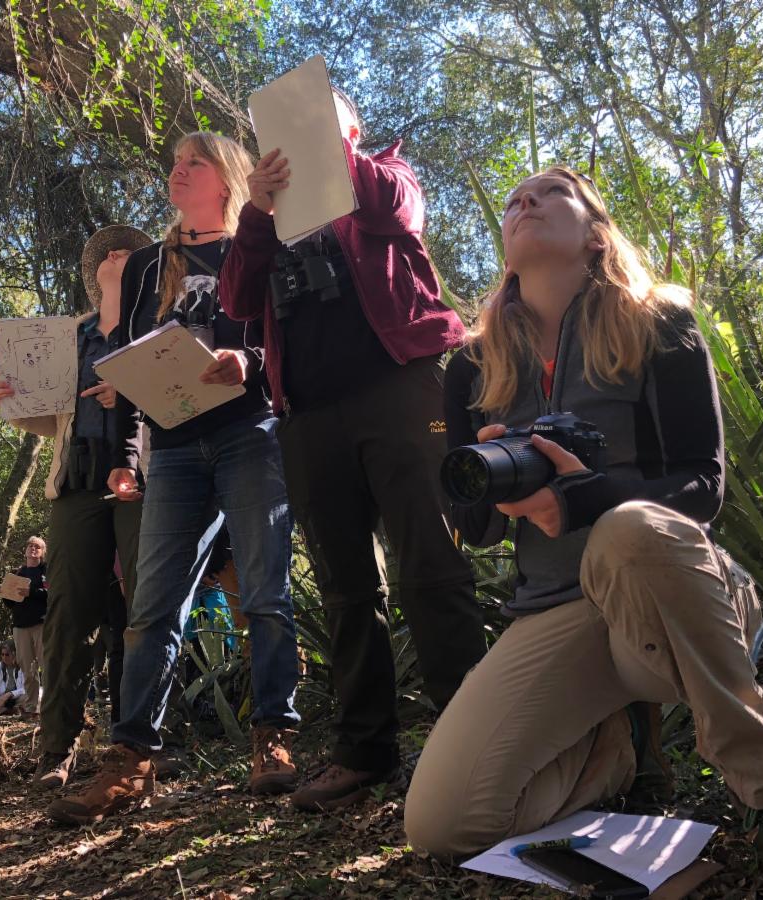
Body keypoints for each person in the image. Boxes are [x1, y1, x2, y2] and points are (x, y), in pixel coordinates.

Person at [402, 166, 763, 895]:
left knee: (630, 529)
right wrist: (489, 484)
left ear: (595, 232)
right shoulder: (472, 365)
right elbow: (475, 530)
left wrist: (584, 499)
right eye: (514, 200)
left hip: (671, 595)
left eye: (552, 193)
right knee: (442, 824)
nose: (525, 201)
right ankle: (620, 749)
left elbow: (702, 487)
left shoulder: (658, 321)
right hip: (557, 610)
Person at [220, 89, 487, 811]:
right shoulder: (271, 214)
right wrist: (257, 211)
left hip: (399, 389)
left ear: (354, 129)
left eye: (319, 119)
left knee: (430, 561)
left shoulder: (388, 174)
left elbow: (396, 210)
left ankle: (473, 745)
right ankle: (364, 751)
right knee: (344, 585)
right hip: (308, 413)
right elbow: (238, 300)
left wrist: (330, 153)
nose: (297, 135)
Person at [46, 131, 301, 827]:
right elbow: (132, 363)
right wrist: (128, 455)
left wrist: (249, 363)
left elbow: (282, 338)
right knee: (153, 608)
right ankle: (132, 760)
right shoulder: (148, 265)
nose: (178, 171)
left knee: (265, 593)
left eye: (195, 163)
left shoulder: (258, 244)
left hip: (250, 433)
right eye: (175, 164)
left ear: (228, 178)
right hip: (176, 448)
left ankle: (273, 738)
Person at [0, 223, 151, 790]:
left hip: (144, 483)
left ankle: (143, 744)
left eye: (129, 253)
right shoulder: (64, 338)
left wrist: (133, 392)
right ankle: (57, 747)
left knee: (146, 609)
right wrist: (6, 399)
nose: (117, 256)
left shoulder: (159, 329)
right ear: (94, 273)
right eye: (109, 253)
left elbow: (180, 400)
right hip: (76, 486)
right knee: (67, 616)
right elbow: (47, 416)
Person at [4, 535, 48, 717]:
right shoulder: (17, 573)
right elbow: (10, 604)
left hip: (41, 623)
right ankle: (31, 708)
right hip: (20, 626)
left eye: (37, 547)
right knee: (28, 669)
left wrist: (32, 592)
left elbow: (52, 593)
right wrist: (4, 593)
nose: (33, 549)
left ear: (42, 552)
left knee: (47, 665)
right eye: (30, 546)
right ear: (25, 551)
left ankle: (50, 706)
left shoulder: (47, 570)